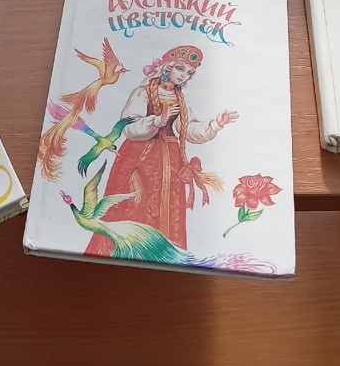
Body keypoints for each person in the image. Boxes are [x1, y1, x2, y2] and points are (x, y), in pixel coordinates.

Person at [85, 45, 237, 254]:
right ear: (168, 67)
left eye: (189, 73)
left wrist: (215, 124)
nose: (183, 75)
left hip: (171, 163)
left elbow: (188, 128)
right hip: (140, 159)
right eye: (180, 68)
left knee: (168, 209)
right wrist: (158, 120)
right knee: (134, 204)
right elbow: (128, 127)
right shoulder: (143, 92)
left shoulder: (180, 98)